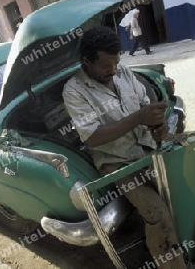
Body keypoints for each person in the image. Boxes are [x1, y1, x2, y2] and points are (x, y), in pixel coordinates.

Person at [62, 26, 186, 269]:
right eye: (106, 65)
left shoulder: (123, 72)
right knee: (156, 213)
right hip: (117, 162)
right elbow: (92, 137)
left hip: (148, 146)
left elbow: (144, 104)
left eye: (116, 62)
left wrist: (158, 125)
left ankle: (189, 244)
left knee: (184, 191)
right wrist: (138, 118)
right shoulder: (74, 90)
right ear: (86, 61)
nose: (113, 70)